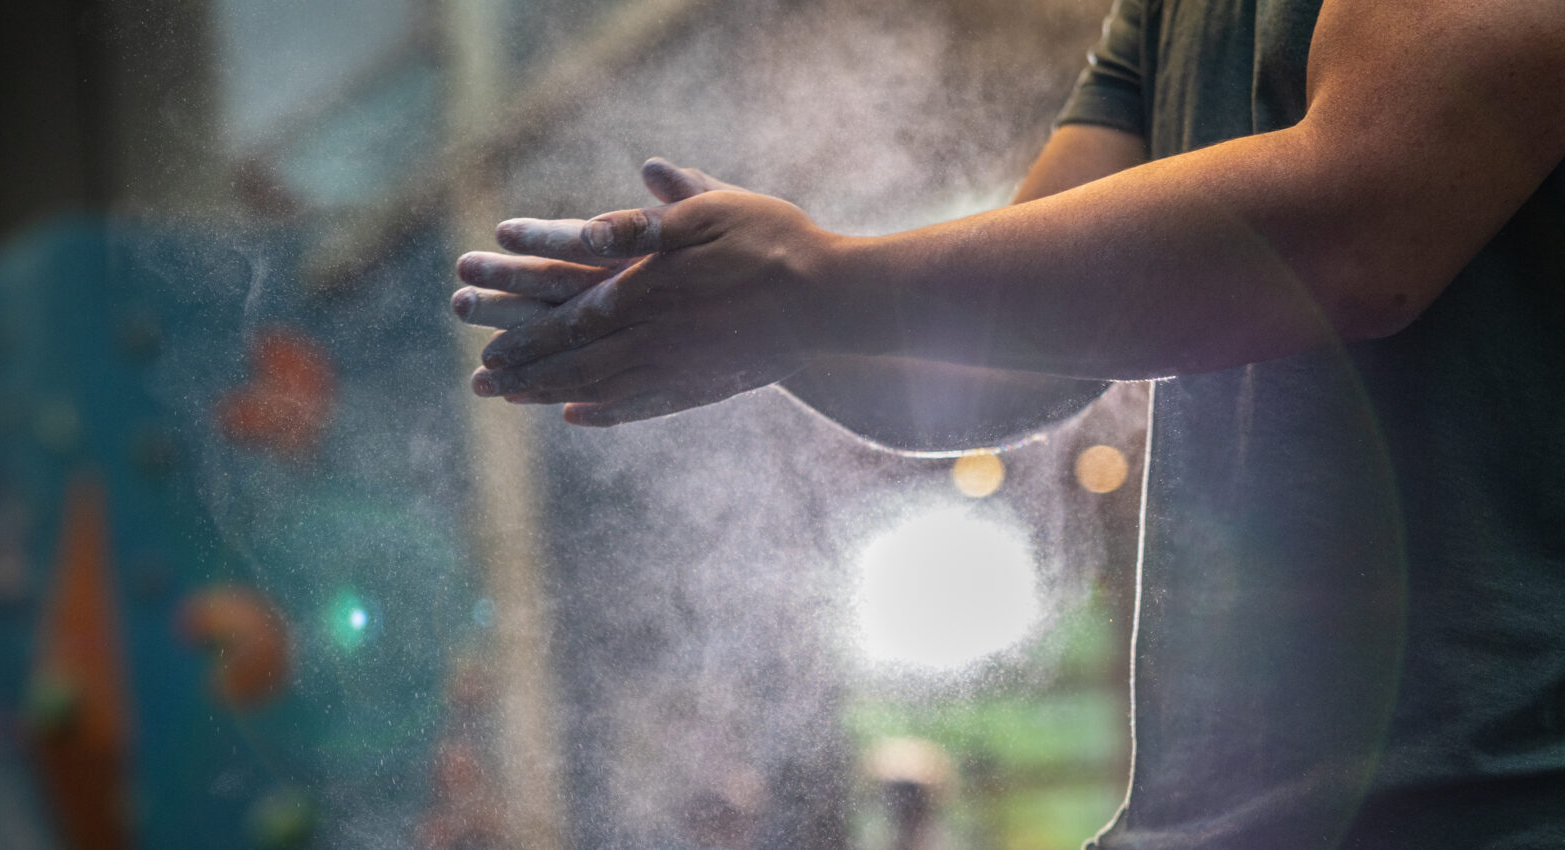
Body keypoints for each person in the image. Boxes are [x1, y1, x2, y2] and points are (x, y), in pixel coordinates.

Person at [450, 0, 1565, 847]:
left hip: (1502, 789)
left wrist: (815, 285)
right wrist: (761, 319)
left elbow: (1360, 227)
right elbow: (1014, 343)